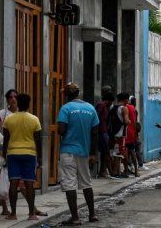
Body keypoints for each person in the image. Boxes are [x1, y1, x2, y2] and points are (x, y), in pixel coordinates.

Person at [56, 83, 100, 225]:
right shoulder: (90, 108)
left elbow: (62, 130)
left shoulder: (66, 108)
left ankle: (75, 218)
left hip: (68, 150)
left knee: (70, 184)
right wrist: (93, 153)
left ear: (67, 95)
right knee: (86, 183)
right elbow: (95, 133)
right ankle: (92, 214)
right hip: (84, 152)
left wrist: (60, 128)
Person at [2, 93, 42, 221]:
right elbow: (38, 141)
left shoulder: (9, 119)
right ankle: (32, 214)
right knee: (29, 183)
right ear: (29, 104)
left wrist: (4, 155)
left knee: (13, 183)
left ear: (18, 103)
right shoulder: (34, 119)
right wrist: (39, 158)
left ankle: (13, 214)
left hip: (13, 154)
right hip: (29, 154)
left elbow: (6, 140)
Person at [0, 89, 18, 216]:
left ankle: (33, 207)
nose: (13, 99)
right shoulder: (3, 113)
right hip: (5, 148)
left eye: (15, 97)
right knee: (3, 177)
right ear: (7, 99)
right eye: (10, 97)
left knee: (21, 178)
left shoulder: (22, 113)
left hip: (19, 148)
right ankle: (4, 207)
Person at [95, 90, 114, 178]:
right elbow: (97, 116)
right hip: (101, 132)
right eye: (111, 102)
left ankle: (102, 172)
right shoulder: (101, 105)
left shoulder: (105, 107)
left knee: (104, 153)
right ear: (108, 100)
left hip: (104, 132)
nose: (111, 104)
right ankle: (110, 172)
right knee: (106, 152)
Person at [125, 96, 140, 177]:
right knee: (132, 151)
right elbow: (135, 122)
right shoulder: (134, 109)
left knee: (126, 152)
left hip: (126, 132)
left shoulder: (125, 107)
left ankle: (126, 171)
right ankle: (136, 171)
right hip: (132, 132)